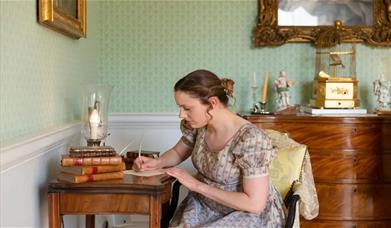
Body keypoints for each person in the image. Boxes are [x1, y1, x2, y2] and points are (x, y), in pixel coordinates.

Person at [132, 69, 286, 227]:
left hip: (244, 213)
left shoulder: (250, 139)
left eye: (187, 108)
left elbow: (254, 204)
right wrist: (156, 163)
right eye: (180, 108)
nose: (181, 115)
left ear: (212, 103)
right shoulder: (198, 126)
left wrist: (196, 185)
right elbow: (178, 152)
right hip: (204, 205)